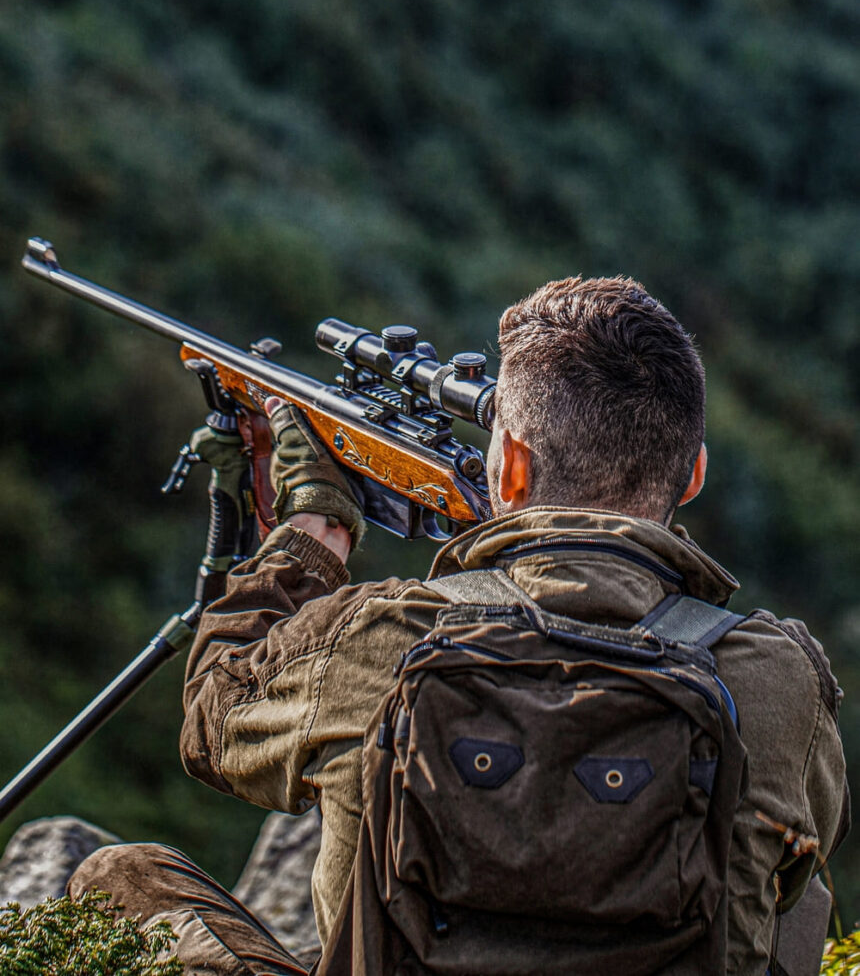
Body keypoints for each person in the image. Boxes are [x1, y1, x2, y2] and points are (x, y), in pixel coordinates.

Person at [71, 277, 848, 975]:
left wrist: (311, 530)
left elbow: (212, 717)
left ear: (507, 465)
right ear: (695, 471)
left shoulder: (384, 636)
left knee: (122, 878)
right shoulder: (778, 681)